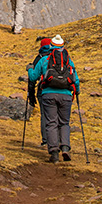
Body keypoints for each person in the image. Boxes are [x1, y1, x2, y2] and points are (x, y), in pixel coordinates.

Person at [28, 34, 79, 163]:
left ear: (51, 46)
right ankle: (65, 147)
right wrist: (77, 91)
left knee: (51, 122)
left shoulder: (44, 60)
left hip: (48, 94)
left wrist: (29, 69)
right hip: (66, 95)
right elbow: (75, 79)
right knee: (64, 122)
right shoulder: (68, 61)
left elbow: (33, 77)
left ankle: (54, 152)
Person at [28, 36, 53, 146]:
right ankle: (59, 141)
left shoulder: (40, 59)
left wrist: (31, 96)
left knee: (45, 115)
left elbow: (33, 78)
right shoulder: (58, 57)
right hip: (61, 91)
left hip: (44, 91)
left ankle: (46, 140)